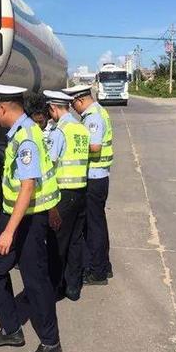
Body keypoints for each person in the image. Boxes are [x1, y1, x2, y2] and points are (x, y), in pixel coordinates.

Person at [0, 83, 63, 352]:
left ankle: (51, 342)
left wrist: (8, 231)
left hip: (27, 219)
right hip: (15, 213)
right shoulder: (22, 131)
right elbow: (44, 175)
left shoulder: (26, 137)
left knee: (35, 280)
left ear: (3, 108)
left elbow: (28, 186)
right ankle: (12, 329)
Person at [62, 83, 113, 285]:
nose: (74, 109)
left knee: (93, 227)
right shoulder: (98, 111)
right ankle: (103, 266)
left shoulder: (92, 117)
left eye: (74, 104)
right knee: (98, 223)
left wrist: (74, 149)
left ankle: (97, 271)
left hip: (94, 177)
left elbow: (94, 147)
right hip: (99, 177)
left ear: (81, 100)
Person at [43, 90, 90, 301]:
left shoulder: (59, 131)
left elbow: (50, 163)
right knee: (75, 240)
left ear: (53, 108)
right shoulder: (80, 129)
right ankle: (73, 287)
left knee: (57, 242)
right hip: (82, 191)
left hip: (63, 193)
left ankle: (54, 289)